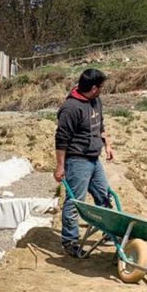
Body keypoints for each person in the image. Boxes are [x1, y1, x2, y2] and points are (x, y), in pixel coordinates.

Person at [54, 68, 116, 257]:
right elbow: (61, 139)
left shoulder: (96, 101)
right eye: (102, 87)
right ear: (94, 88)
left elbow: (100, 124)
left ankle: (109, 232)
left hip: (94, 159)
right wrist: (60, 166)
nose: (102, 90)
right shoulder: (70, 108)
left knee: (104, 195)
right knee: (75, 202)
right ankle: (70, 240)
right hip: (77, 160)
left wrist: (107, 144)